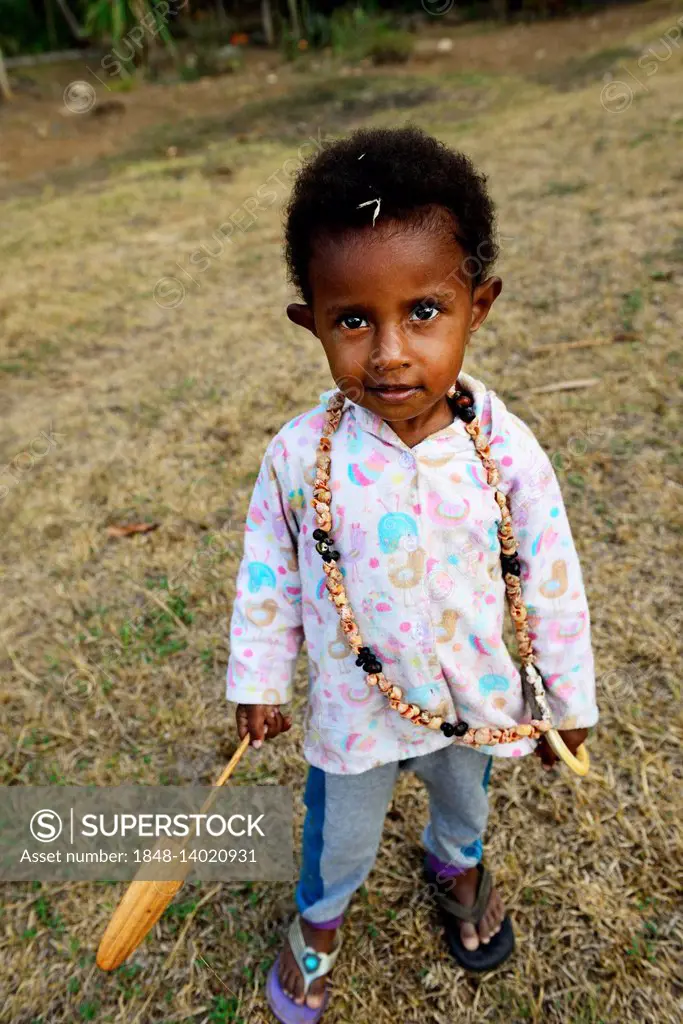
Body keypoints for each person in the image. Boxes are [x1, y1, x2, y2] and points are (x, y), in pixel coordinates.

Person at [225, 125, 598, 1023]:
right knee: (338, 835)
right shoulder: (297, 455)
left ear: (478, 304)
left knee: (464, 804)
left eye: (423, 312)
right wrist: (259, 677)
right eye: (353, 320)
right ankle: (318, 922)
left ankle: (454, 864)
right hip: (355, 712)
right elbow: (267, 573)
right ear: (310, 321)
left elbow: (550, 574)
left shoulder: (503, 450)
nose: (388, 351)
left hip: (473, 697)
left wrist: (565, 700)